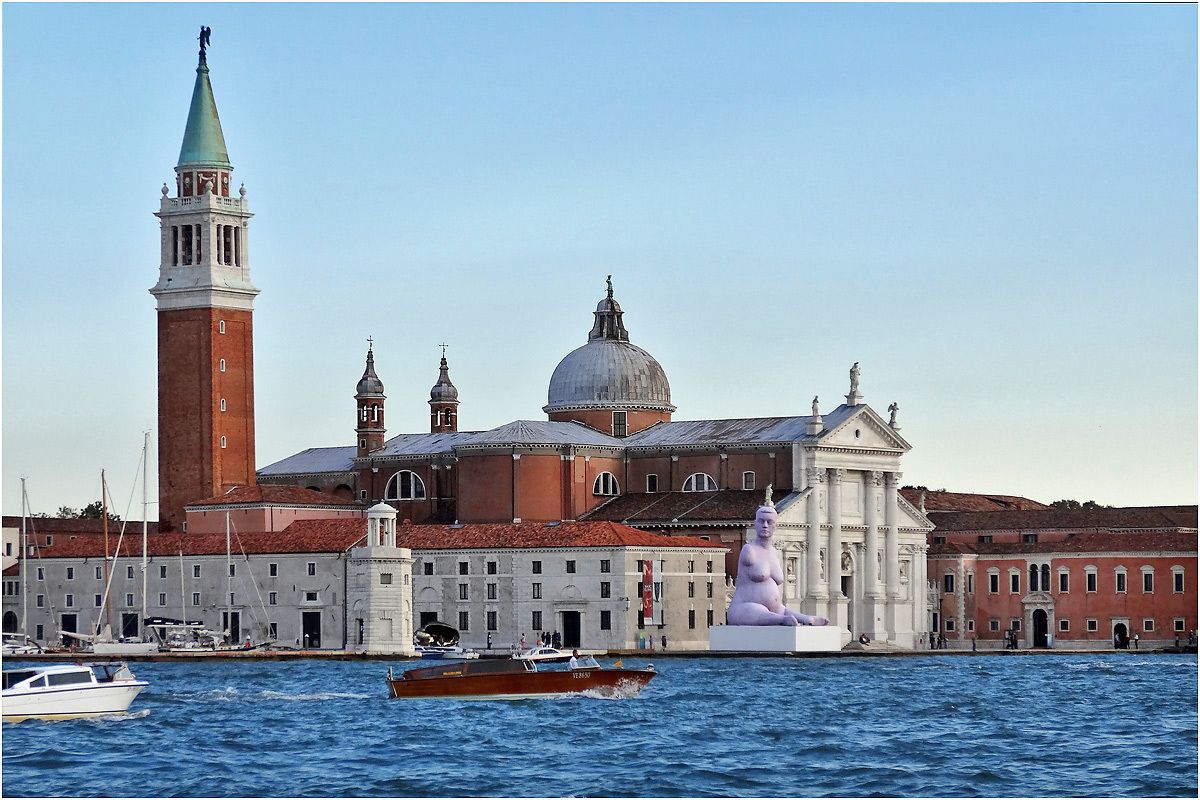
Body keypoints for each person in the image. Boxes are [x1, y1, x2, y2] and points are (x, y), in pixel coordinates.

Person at [726, 490, 829, 626]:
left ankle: (804, 618)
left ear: (776, 525)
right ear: (755, 524)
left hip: (776, 608)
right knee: (761, 612)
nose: (765, 525)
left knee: (782, 611)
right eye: (761, 521)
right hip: (744, 608)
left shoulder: (776, 552)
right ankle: (782, 620)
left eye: (769, 522)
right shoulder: (749, 550)